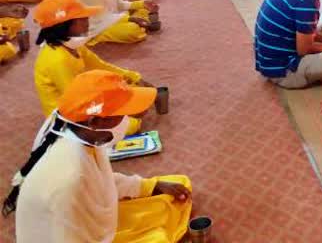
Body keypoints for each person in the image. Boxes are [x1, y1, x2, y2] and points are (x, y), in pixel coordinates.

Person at [3, 70, 192, 243]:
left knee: (177, 187)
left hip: (86, 218)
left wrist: (149, 186)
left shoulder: (76, 129)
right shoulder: (70, 179)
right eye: (122, 114)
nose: (128, 118)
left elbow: (101, 181)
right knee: (158, 238)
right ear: (95, 121)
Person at [32, 0, 151, 135]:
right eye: (82, 18)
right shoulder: (57, 60)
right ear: (66, 25)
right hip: (70, 117)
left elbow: (100, 66)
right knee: (131, 124)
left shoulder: (72, 45)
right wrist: (119, 109)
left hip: (84, 95)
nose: (88, 20)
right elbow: (77, 102)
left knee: (129, 90)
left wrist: (132, 77)